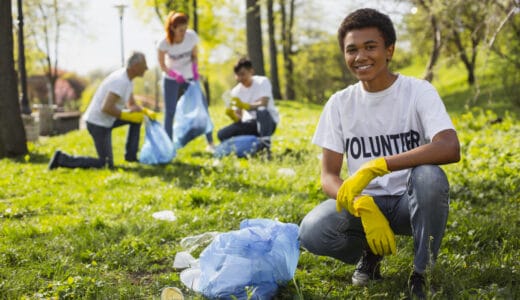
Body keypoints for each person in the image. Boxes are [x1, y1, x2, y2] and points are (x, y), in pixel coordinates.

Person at [297, 8, 460, 299]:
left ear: (390, 50)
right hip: (367, 204)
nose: (361, 57)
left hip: (409, 203)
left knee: (430, 177)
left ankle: (423, 270)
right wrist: (361, 204)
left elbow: (449, 146)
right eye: (352, 50)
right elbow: (328, 176)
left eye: (370, 47)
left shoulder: (417, 91)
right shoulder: (339, 103)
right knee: (311, 231)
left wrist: (380, 165)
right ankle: (370, 254)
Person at [48, 51, 155, 169]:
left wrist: (144, 112)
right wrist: (126, 116)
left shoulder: (128, 80)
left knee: (137, 119)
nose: (146, 68)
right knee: (104, 164)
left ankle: (131, 156)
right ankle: (62, 159)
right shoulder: (121, 81)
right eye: (144, 64)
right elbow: (106, 108)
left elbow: (131, 104)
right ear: (135, 66)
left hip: (108, 119)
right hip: (98, 123)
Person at [157, 11, 214, 151]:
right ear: (173, 28)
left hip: (190, 77)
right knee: (169, 112)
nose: (184, 32)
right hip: (172, 79)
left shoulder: (191, 36)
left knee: (203, 106)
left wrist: (195, 70)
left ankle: (211, 143)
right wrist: (173, 74)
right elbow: (162, 65)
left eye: (185, 28)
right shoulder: (164, 43)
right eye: (181, 30)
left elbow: (194, 55)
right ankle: (168, 146)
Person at [217, 57, 279, 151]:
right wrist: (232, 115)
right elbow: (239, 118)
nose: (240, 78)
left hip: (268, 122)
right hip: (251, 124)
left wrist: (246, 106)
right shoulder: (236, 91)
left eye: (243, 74)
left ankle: (265, 147)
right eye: (237, 75)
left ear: (251, 71)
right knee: (222, 134)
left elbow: (263, 103)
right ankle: (247, 147)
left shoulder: (262, 82)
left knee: (261, 110)